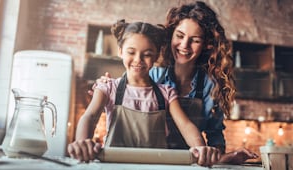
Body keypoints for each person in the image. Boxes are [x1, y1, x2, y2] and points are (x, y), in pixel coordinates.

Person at [94, 1, 258, 164]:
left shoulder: (210, 86)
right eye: (179, 36)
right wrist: (104, 86)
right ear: (171, 35)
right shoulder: (152, 73)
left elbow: (214, 134)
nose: (184, 45)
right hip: (153, 160)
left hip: (189, 163)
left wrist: (219, 158)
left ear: (207, 45)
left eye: (195, 40)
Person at [68, 19, 220, 166]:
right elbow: (89, 116)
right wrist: (82, 142)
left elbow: (186, 126)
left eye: (146, 54)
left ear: (156, 56)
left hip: (156, 166)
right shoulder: (107, 88)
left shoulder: (167, 93)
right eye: (131, 52)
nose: (138, 59)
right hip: (114, 165)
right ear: (120, 52)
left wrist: (200, 147)